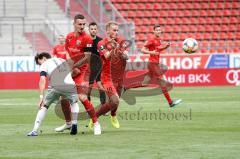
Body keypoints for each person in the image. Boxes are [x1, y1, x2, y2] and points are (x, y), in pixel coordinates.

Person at [57, 14, 101, 135]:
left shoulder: (87, 38)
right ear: (74, 24)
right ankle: (68, 123)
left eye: (83, 24)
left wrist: (74, 66)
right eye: (79, 24)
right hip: (72, 69)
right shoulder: (69, 37)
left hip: (83, 71)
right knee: (63, 99)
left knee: (82, 98)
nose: (82, 26)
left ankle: (96, 123)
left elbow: (87, 58)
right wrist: (69, 65)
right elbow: (66, 51)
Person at [27, 52, 80, 136]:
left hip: (56, 86)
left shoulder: (44, 64)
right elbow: (76, 71)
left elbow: (42, 80)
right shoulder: (62, 60)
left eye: (39, 62)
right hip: (70, 85)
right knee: (74, 103)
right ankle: (74, 124)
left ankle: (35, 130)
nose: (39, 65)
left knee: (44, 106)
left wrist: (41, 97)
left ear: (43, 58)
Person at [90, 21, 129, 129]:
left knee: (114, 103)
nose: (116, 32)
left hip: (120, 77)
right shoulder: (101, 43)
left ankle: (112, 115)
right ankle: (95, 117)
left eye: (117, 30)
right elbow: (107, 56)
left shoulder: (121, 41)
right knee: (115, 100)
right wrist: (113, 48)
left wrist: (123, 53)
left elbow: (126, 56)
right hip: (107, 77)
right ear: (107, 31)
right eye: (114, 30)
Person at [141, 24, 182, 107]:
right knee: (163, 83)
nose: (159, 31)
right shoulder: (152, 40)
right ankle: (170, 102)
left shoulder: (158, 39)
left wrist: (165, 47)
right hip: (153, 64)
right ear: (153, 31)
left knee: (145, 82)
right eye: (157, 30)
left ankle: (126, 88)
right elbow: (142, 50)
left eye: (160, 30)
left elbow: (158, 49)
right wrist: (151, 52)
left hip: (155, 64)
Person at [52, 35, 72, 132]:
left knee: (66, 94)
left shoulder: (67, 47)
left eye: (62, 38)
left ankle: (70, 122)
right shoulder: (56, 48)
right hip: (60, 71)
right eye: (59, 38)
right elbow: (54, 58)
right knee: (63, 95)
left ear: (64, 39)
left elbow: (70, 59)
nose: (61, 39)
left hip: (68, 70)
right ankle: (69, 122)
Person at [87, 22, 106, 105]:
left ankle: (103, 105)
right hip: (88, 66)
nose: (93, 30)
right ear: (89, 30)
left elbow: (104, 53)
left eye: (95, 29)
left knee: (99, 85)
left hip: (98, 65)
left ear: (97, 30)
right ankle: (88, 105)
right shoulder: (86, 40)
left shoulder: (100, 41)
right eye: (92, 29)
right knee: (89, 87)